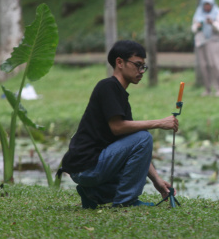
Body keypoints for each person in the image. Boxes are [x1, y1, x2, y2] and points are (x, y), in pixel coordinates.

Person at [58, 40, 178, 208]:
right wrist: (159, 123)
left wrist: (157, 181)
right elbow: (118, 128)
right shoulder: (108, 86)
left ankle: (92, 194)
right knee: (144, 137)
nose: (141, 71)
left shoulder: (119, 94)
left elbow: (135, 144)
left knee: (139, 151)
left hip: (87, 169)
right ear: (120, 62)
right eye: (137, 65)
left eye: (143, 66)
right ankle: (125, 201)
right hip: (87, 166)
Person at [192, 0, 219, 97]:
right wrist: (198, 26)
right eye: (205, 4)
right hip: (201, 41)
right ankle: (207, 89)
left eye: (208, 4)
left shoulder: (218, 12)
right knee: (203, 65)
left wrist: (212, 23)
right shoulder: (198, 13)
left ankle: (218, 87)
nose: (207, 6)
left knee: (215, 65)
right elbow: (193, 28)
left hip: (213, 41)